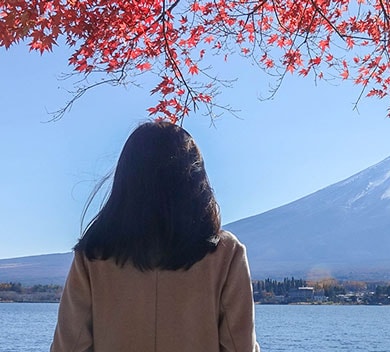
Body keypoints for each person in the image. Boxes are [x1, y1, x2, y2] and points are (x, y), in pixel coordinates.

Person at [51, 121, 260, 352]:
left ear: (125, 178)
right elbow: (239, 346)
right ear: (195, 178)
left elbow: (69, 346)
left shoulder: (93, 254)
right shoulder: (226, 253)